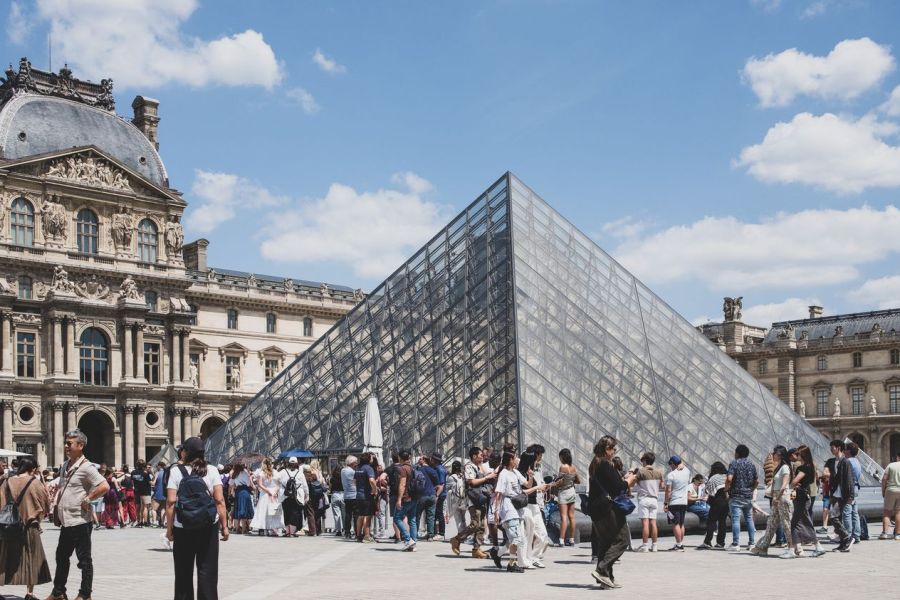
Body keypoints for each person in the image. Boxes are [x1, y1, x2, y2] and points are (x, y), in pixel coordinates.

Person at [46, 429, 110, 600]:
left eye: (70, 443)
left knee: (84, 560)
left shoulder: (87, 467)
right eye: (66, 443)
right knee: (61, 557)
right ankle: (59, 592)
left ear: (80, 446)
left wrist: (88, 499)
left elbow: (104, 486)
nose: (66, 446)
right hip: (67, 521)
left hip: (80, 521)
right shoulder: (66, 465)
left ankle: (85, 594)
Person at [165, 437, 228, 600]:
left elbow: (171, 503)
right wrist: (225, 527)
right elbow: (220, 500)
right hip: (208, 526)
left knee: (183, 572)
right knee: (207, 571)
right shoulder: (212, 470)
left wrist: (169, 529)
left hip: (183, 526)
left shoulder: (175, 471)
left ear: (185, 452)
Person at [0, 457, 51, 600]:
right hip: (30, 526)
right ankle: (29, 593)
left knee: (3, 556)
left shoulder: (7, 481)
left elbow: (0, 502)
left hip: (8, 526)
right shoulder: (35, 483)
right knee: (32, 558)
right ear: (33, 469)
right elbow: (46, 504)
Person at [589, 436, 634, 589]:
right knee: (622, 540)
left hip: (596, 509)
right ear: (607, 449)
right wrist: (629, 481)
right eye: (613, 449)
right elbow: (617, 488)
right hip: (608, 509)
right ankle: (602, 570)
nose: (615, 451)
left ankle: (606, 579)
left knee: (606, 543)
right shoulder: (605, 465)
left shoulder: (595, 463)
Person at [492, 451, 548, 572]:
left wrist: (531, 476)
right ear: (510, 460)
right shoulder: (504, 474)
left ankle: (500, 555)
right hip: (508, 507)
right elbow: (498, 493)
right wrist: (496, 511)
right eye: (514, 458)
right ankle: (511, 563)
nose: (516, 460)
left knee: (517, 537)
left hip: (517, 508)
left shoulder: (516, 472)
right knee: (517, 538)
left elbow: (527, 485)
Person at [449, 446, 494, 559]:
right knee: (475, 524)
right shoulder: (469, 466)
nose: (482, 457)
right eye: (480, 455)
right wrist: (487, 478)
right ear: (474, 456)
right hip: (473, 499)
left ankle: (476, 549)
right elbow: (472, 482)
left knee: (481, 527)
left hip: (481, 497)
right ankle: (457, 539)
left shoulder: (480, 466)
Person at [751, 446, 794, 558]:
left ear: (779, 454)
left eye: (774, 453)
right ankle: (763, 547)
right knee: (771, 523)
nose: (772, 455)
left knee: (786, 523)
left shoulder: (785, 467)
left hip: (782, 497)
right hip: (776, 497)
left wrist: (777, 497)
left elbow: (784, 485)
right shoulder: (778, 467)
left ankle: (791, 549)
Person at [790, 445, 825, 557]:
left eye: (798, 454)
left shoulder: (804, 468)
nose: (797, 456)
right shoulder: (811, 467)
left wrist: (791, 485)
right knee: (796, 523)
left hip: (801, 498)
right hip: (805, 496)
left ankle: (817, 545)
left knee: (802, 523)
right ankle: (797, 549)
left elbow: (795, 481)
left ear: (803, 455)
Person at [725, 443, 758, 551]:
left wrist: (726, 488)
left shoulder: (734, 464)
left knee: (735, 519)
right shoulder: (751, 464)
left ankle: (735, 544)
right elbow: (756, 481)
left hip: (736, 495)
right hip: (747, 496)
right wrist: (751, 489)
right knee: (749, 519)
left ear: (738, 453)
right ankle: (752, 543)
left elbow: (729, 478)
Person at [633, 451, 663, 552]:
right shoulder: (659, 472)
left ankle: (645, 545)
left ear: (645, 460)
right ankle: (654, 545)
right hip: (654, 499)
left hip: (644, 499)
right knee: (653, 523)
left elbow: (632, 483)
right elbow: (661, 486)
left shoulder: (641, 472)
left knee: (645, 523)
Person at [828, 440, 854, 552]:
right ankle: (843, 544)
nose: (831, 449)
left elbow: (849, 479)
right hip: (834, 494)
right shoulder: (833, 461)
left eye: (832, 447)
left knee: (833, 516)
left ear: (838, 448)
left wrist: (851, 495)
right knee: (838, 518)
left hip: (842, 494)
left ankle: (847, 537)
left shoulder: (845, 462)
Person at [698, 461, 728, 549]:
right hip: (726, 502)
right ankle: (721, 543)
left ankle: (707, 541)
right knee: (722, 522)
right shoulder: (726, 476)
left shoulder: (713, 478)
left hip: (717, 501)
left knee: (711, 521)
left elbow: (709, 492)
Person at [250, 458, 284, 536]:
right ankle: (272, 527)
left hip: (265, 493)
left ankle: (262, 528)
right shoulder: (275, 472)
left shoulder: (262, 473)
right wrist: (275, 491)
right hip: (273, 493)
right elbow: (279, 484)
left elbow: (260, 484)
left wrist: (267, 491)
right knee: (274, 510)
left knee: (263, 511)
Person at [663, 455, 690, 551]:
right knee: (681, 524)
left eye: (670, 464)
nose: (670, 466)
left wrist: (665, 503)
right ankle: (680, 543)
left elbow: (668, 491)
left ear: (673, 464)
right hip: (684, 501)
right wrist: (681, 465)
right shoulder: (687, 471)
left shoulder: (671, 475)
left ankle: (679, 545)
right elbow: (684, 464)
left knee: (675, 524)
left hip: (674, 502)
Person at [393, 449, 419, 551]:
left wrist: (399, 499)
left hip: (406, 497)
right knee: (412, 520)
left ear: (400, 458)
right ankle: (414, 542)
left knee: (397, 518)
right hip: (415, 496)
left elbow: (402, 484)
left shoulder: (403, 469)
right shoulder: (413, 467)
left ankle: (408, 540)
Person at [557, 448, 580, 547]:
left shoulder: (562, 467)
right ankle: (571, 540)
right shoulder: (573, 467)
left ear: (562, 457)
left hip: (563, 493)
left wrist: (556, 483)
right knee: (572, 516)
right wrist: (571, 481)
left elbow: (560, 482)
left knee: (564, 517)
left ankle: (561, 540)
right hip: (572, 492)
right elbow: (578, 481)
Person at [415, 455, 440, 541]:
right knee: (431, 516)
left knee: (417, 515)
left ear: (424, 460)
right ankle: (430, 535)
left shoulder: (418, 470)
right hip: (432, 495)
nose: (419, 460)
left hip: (421, 495)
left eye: (420, 459)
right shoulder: (432, 470)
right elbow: (437, 484)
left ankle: (415, 534)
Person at [281, 457, 307, 537]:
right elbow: (305, 485)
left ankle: (287, 532)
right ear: (296, 464)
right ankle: (292, 533)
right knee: (295, 513)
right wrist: (307, 495)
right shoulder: (300, 473)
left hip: (285, 495)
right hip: (297, 496)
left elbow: (277, 481)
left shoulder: (283, 472)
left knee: (286, 513)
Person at [354, 453, 378, 542]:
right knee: (368, 516)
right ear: (368, 459)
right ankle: (367, 536)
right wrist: (374, 490)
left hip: (358, 495)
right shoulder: (369, 468)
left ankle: (358, 535)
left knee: (360, 516)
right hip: (367, 495)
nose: (372, 459)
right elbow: (371, 480)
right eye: (371, 458)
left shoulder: (358, 468)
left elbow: (354, 481)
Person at [229, 463, 254, 534]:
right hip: (245, 491)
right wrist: (249, 477)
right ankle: (243, 529)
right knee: (244, 510)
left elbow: (230, 483)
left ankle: (237, 529)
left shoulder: (234, 474)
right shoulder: (245, 473)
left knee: (237, 510)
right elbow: (248, 484)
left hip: (238, 492)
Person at [880, 450, 900, 539]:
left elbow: (884, 479)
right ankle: (898, 534)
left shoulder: (891, 465)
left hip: (891, 490)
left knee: (887, 512)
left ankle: (885, 533)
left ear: (897, 457)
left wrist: (883, 490)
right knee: (898, 512)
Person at [445, 460, 467, 535]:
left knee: (458, 519)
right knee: (463, 519)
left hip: (455, 500)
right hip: (464, 499)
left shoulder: (451, 477)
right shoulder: (463, 476)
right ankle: (465, 534)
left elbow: (447, 488)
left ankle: (461, 534)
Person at [341, 455, 358, 539]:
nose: (356, 464)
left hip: (346, 495)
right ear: (352, 463)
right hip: (354, 495)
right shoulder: (352, 472)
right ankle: (356, 531)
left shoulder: (343, 470)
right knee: (355, 515)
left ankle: (347, 532)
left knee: (348, 514)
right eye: (355, 462)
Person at [131, 460, 152, 527]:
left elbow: (132, 482)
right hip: (145, 491)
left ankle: (139, 521)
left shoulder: (133, 472)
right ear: (144, 465)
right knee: (145, 507)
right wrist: (154, 475)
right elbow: (151, 483)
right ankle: (145, 522)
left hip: (137, 491)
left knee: (138, 507)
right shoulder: (145, 473)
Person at [432, 453, 448, 541]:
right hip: (440, 493)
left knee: (438, 513)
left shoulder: (439, 469)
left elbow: (441, 484)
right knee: (437, 513)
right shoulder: (440, 468)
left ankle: (441, 533)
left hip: (440, 494)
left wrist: (437, 495)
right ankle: (436, 532)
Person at [329, 465, 345, 537]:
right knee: (344, 514)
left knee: (336, 514)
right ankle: (345, 529)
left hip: (335, 494)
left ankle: (338, 530)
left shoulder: (332, 478)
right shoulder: (344, 477)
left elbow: (330, 487)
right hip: (343, 494)